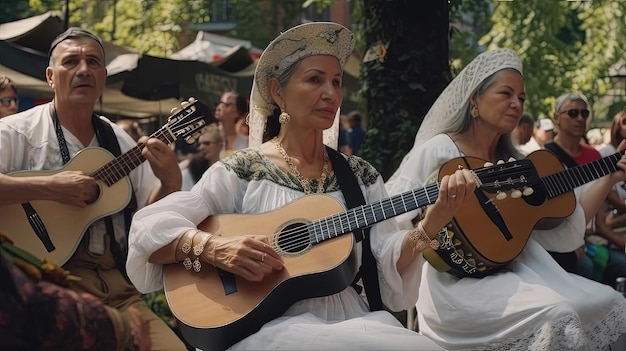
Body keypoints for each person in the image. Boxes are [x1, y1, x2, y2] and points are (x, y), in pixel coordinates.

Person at [125, 22, 472, 351]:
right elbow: (148, 232)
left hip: (350, 321)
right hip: (265, 326)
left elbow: (386, 274)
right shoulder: (243, 170)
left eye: (336, 82)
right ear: (278, 92)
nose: (330, 93)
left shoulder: (359, 175)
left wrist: (431, 223)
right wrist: (213, 248)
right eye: (315, 80)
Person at [385, 48, 626, 350]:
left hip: (519, 272)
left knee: (611, 302)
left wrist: (610, 176)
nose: (516, 104)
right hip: (452, 285)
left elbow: (570, 224)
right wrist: (431, 237)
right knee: (557, 313)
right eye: (506, 94)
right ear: (475, 99)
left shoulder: (519, 161)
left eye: (522, 98)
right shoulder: (439, 150)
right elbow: (391, 224)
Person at [0, 27, 187, 351]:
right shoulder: (17, 132)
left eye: (93, 62)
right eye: (71, 61)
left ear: (102, 75)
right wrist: (49, 187)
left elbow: (148, 221)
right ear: (50, 76)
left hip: (121, 291)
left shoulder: (119, 141)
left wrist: (171, 182)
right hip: (48, 285)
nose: (83, 69)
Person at [543, 92, 626, 284]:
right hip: (560, 240)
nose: (580, 118)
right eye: (572, 113)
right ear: (556, 117)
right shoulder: (544, 158)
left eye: (584, 113)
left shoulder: (594, 156)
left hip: (591, 238)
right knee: (586, 266)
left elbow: (600, 215)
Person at [181, 124, 224, 191]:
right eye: (199, 144)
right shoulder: (188, 168)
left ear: (220, 145)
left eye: (206, 143)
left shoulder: (225, 170)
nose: (201, 148)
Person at [215, 90, 249, 157]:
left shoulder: (246, 143)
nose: (219, 107)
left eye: (227, 105)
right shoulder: (210, 139)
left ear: (238, 112)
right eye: (220, 103)